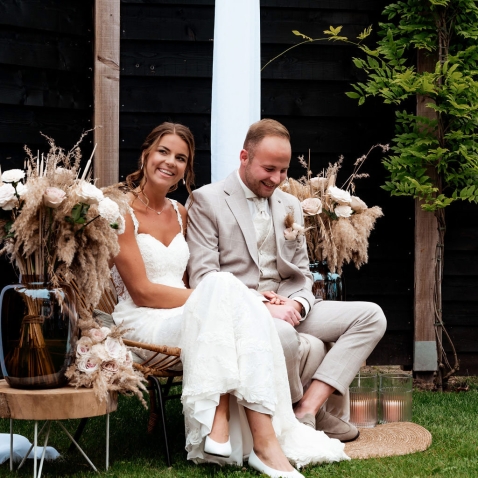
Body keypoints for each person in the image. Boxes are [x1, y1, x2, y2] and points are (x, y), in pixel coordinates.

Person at [110, 122, 349, 477]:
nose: (171, 162)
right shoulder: (119, 211)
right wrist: (232, 297)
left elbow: (191, 279)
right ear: (145, 154)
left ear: (187, 167)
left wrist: (227, 299)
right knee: (224, 288)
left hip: (188, 314)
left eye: (181, 158)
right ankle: (253, 440)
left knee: (228, 299)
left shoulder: (180, 212)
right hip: (143, 319)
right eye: (163, 152)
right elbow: (143, 292)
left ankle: (239, 434)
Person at [186, 118, 387, 442]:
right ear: (244, 157)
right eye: (269, 169)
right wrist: (262, 306)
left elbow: (301, 272)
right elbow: (204, 277)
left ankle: (308, 408)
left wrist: (297, 303)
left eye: (283, 170)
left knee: (372, 316)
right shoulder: (207, 200)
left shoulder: (289, 203)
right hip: (239, 310)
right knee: (282, 335)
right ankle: (300, 413)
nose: (277, 179)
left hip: (289, 305)